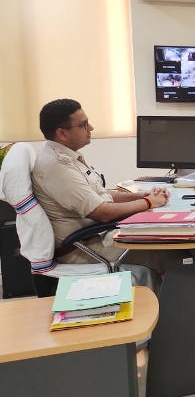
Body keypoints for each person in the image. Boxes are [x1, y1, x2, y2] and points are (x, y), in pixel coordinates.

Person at [31, 98, 186, 288]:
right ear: (62, 134)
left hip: (96, 235)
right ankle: (172, 305)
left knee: (167, 242)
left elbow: (101, 194)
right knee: (171, 253)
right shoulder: (57, 167)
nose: (91, 128)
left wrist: (142, 195)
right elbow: (102, 212)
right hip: (84, 248)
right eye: (83, 125)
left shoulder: (66, 156)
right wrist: (149, 203)